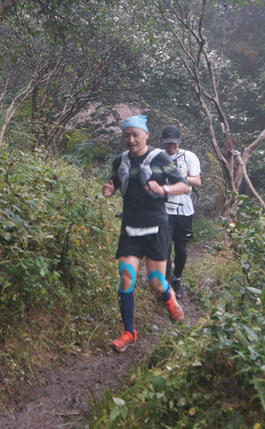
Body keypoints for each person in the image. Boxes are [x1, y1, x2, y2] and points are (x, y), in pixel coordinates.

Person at [102, 115, 191, 352]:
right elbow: (115, 183)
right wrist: (110, 189)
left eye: (135, 135)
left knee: (155, 283)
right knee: (125, 277)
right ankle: (129, 332)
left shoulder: (159, 158)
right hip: (130, 229)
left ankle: (167, 295)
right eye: (126, 136)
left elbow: (184, 185)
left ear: (146, 135)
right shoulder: (120, 160)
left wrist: (162, 188)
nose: (131, 140)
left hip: (157, 229)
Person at [160, 124, 201, 300]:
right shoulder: (156, 157)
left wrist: (179, 178)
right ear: (162, 141)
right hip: (163, 208)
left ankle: (177, 279)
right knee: (165, 247)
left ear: (180, 141)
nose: (171, 146)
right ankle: (166, 284)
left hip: (184, 209)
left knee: (181, 248)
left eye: (174, 143)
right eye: (168, 143)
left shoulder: (188, 157)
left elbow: (197, 181)